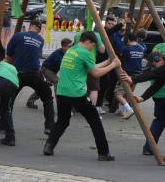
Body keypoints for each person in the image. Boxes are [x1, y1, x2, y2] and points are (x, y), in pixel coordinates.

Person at [43, 31, 122, 161]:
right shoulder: (85, 53)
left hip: (62, 92)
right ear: (88, 42)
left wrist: (108, 62)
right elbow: (95, 73)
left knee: (62, 121)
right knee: (95, 121)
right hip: (76, 93)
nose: (92, 49)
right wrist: (113, 65)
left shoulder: (71, 50)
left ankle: (49, 146)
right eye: (93, 46)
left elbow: (91, 67)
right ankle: (103, 153)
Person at [6, 19, 55, 135]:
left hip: (18, 73)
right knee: (47, 97)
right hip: (34, 74)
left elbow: (8, 55)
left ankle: (4, 126)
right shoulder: (40, 40)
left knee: (8, 99)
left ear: (30, 26)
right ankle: (49, 126)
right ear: (39, 30)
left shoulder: (18, 35)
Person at [26, 37, 72, 108]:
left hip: (51, 71)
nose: (71, 48)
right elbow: (64, 67)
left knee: (45, 87)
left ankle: (30, 101)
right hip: (46, 69)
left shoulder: (67, 53)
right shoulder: (58, 54)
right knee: (57, 81)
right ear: (64, 47)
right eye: (69, 46)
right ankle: (60, 105)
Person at [115, 31, 146, 119]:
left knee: (118, 94)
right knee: (128, 93)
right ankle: (123, 111)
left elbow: (120, 55)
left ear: (128, 39)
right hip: (137, 75)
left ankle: (129, 109)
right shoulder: (142, 48)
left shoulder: (126, 48)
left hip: (127, 74)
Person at [100, 16, 124, 112]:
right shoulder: (103, 31)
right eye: (109, 23)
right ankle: (100, 103)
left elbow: (113, 46)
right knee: (104, 83)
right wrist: (121, 24)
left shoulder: (113, 34)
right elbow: (111, 31)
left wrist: (118, 55)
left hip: (111, 60)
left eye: (112, 24)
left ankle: (109, 102)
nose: (110, 25)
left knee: (112, 81)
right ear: (105, 23)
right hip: (102, 60)